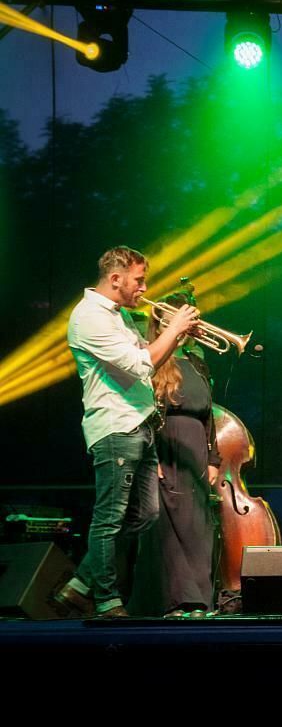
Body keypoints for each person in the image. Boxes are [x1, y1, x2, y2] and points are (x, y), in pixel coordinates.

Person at [54, 246, 199, 617]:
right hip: (116, 426)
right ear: (115, 278)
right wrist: (175, 327)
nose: (144, 288)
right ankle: (106, 600)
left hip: (140, 422)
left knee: (145, 514)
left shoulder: (118, 315)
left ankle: (80, 584)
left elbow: (151, 358)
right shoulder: (89, 316)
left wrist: (178, 337)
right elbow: (141, 364)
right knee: (109, 518)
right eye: (139, 280)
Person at [129, 288, 222, 618]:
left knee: (199, 528)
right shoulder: (152, 359)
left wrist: (214, 459)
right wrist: (149, 457)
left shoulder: (197, 363)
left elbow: (209, 417)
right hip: (164, 449)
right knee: (169, 530)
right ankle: (179, 601)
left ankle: (201, 602)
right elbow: (142, 412)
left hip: (194, 453)